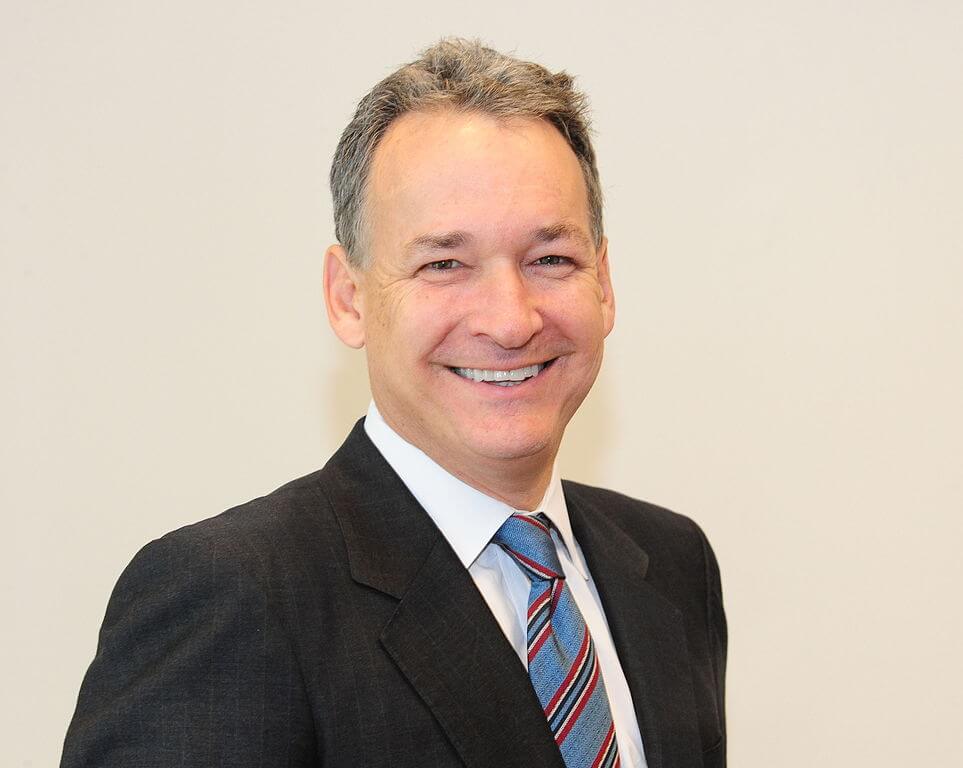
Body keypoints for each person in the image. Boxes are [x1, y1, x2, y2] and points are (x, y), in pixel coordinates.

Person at [61, 39, 726, 768]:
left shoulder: (670, 565)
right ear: (348, 299)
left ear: (604, 283)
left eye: (551, 260)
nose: (510, 319)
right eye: (444, 264)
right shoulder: (233, 595)